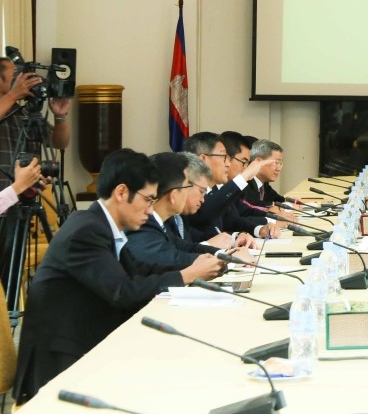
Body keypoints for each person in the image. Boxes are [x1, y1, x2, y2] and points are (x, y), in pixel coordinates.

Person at [13, 148, 223, 404]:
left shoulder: (103, 225)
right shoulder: (86, 229)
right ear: (122, 192)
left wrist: (197, 271)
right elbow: (122, 291)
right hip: (63, 359)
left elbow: (141, 271)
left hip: (88, 341)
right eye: (148, 199)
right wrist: (186, 274)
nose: (150, 210)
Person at [123, 152, 244, 269]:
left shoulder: (160, 223)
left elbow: (188, 248)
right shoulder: (142, 223)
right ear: (174, 195)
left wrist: (228, 255)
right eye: (187, 186)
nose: (188, 193)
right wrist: (228, 262)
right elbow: (172, 259)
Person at [183, 132, 280, 242]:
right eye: (223, 157)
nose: (227, 164)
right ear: (203, 159)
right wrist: (245, 176)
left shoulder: (215, 190)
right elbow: (207, 215)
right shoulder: (188, 193)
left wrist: (259, 230)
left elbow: (232, 221)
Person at [0, 55, 71, 189]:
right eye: (16, 74)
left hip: (24, 197)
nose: (21, 79)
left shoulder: (24, 113)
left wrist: (60, 116)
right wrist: (14, 94)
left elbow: (60, 143)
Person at [246, 138, 287, 207]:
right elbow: (253, 206)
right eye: (276, 162)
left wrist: (293, 203)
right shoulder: (246, 183)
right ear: (258, 162)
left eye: (280, 163)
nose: (279, 168)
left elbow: (279, 200)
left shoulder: (263, 183)